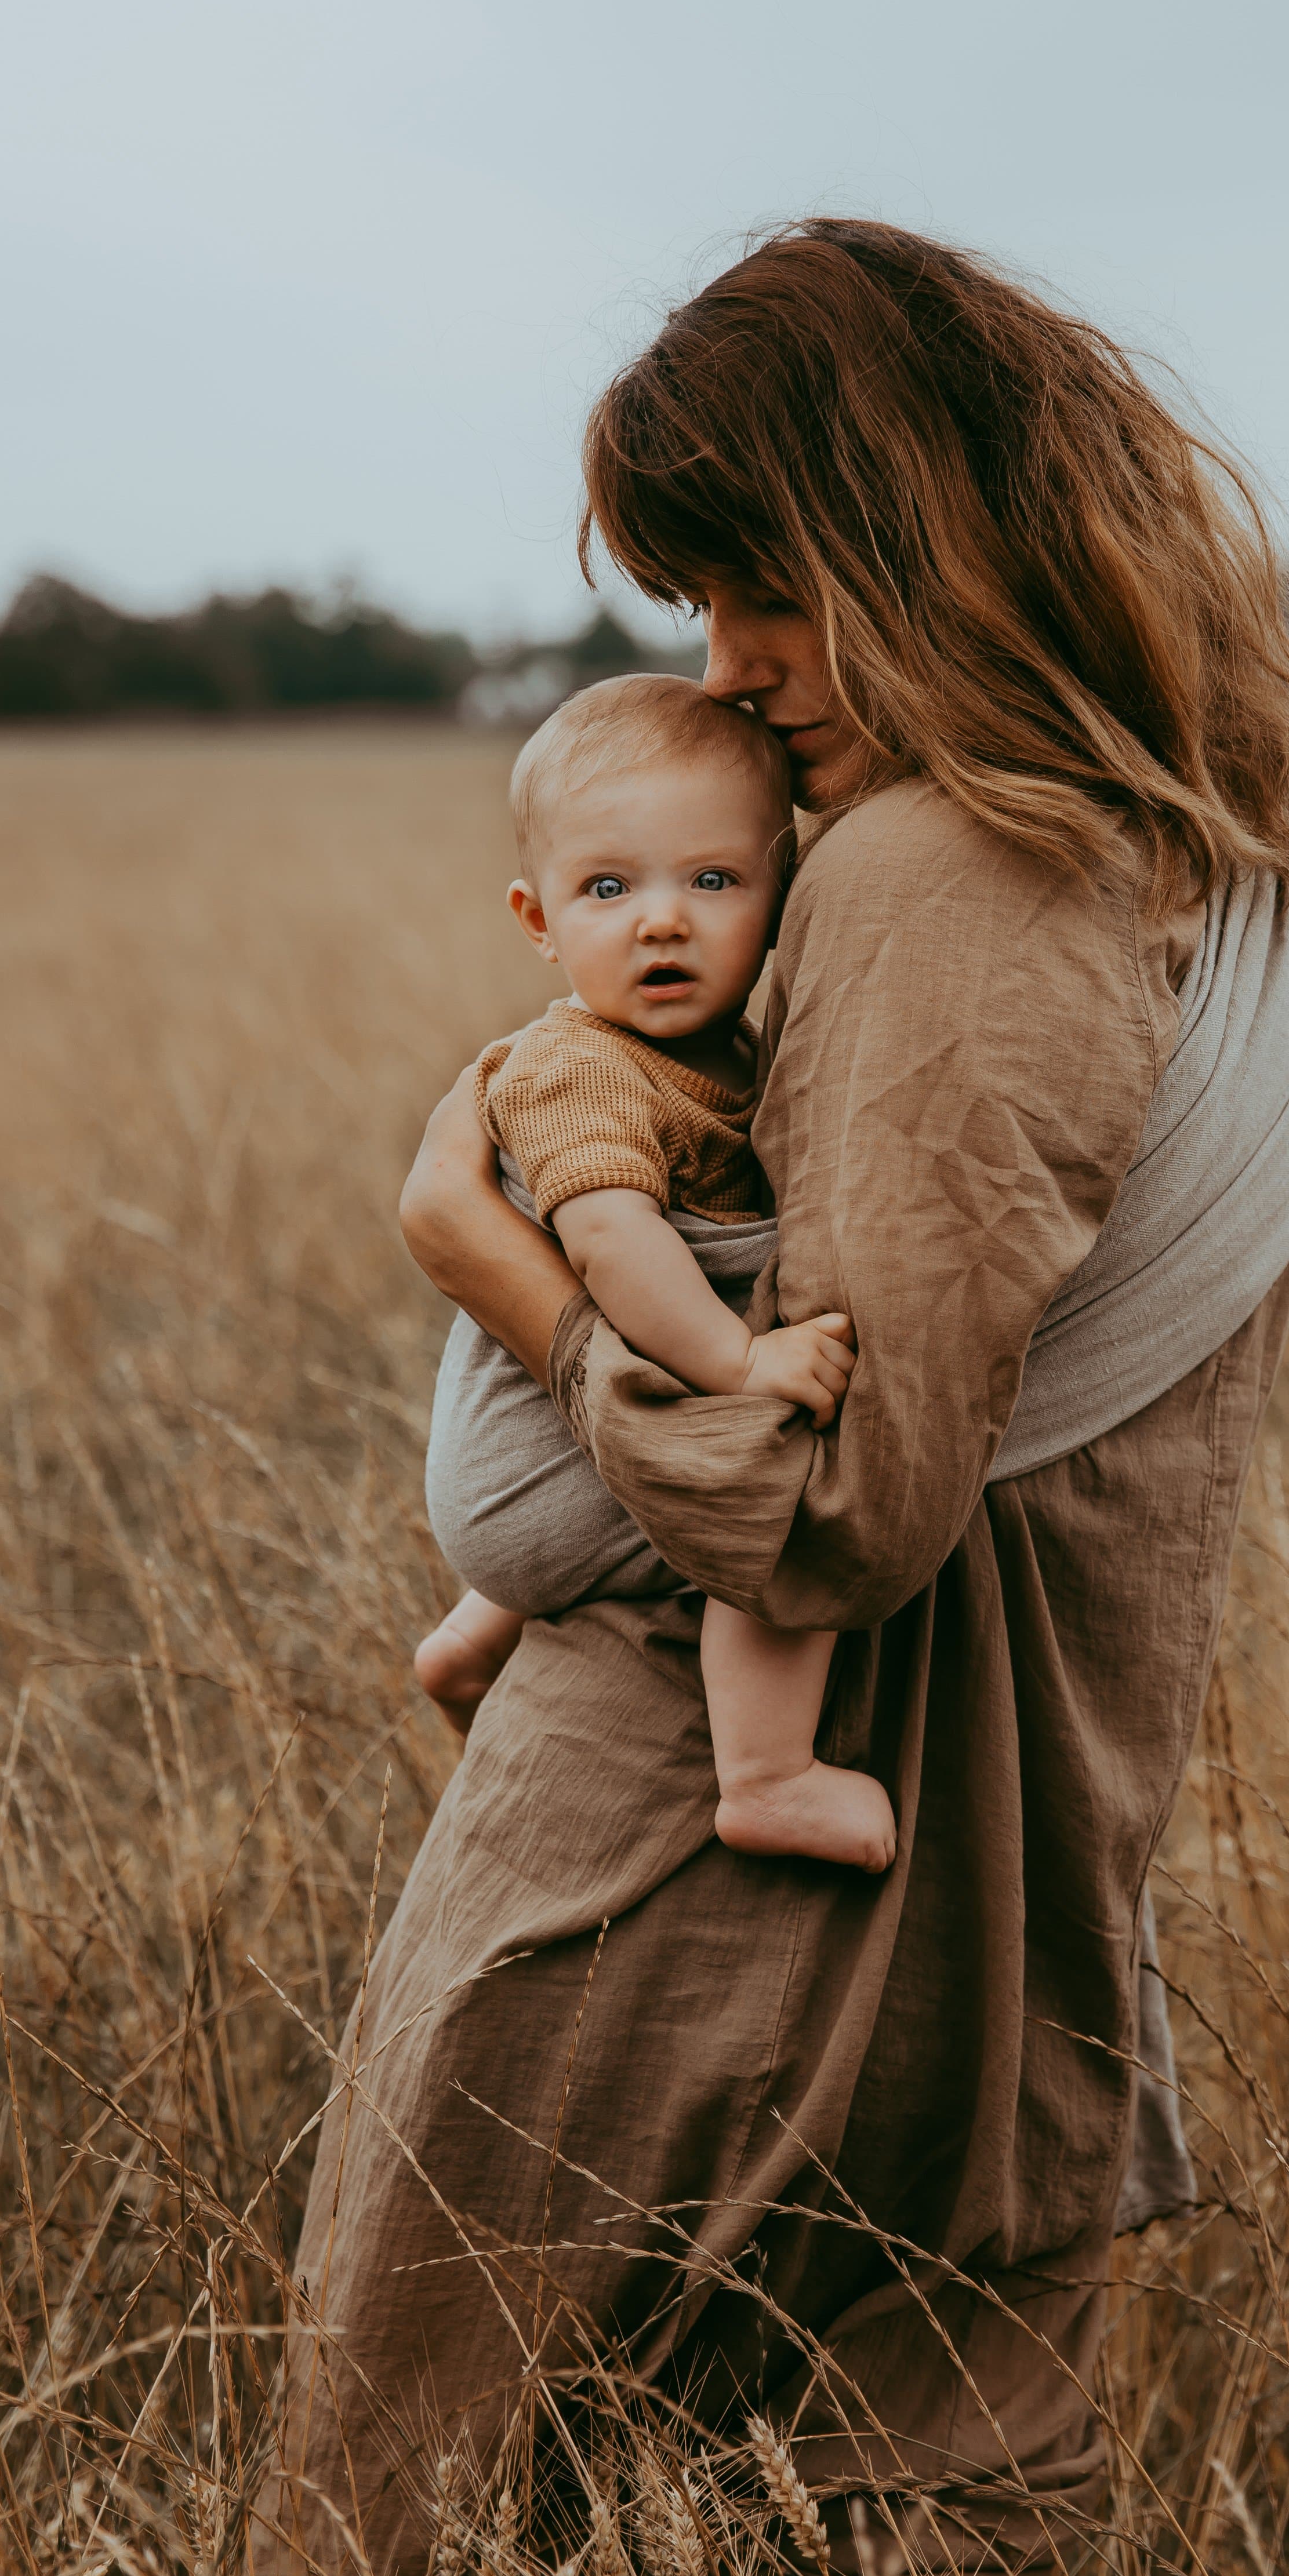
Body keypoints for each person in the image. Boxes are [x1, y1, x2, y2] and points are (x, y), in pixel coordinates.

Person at [243, 218, 1289, 2576]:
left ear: (926, 533)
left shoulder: (958, 879)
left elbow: (831, 1501)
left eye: (764, 580)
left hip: (705, 1907)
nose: (725, 657)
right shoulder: (1181, 851)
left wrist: (492, 1269)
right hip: (993, 1879)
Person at [411, 668, 894, 1872]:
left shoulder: (725, 1055)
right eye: (609, 888)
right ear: (539, 919)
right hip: (525, 1472)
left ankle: (474, 1638)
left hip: (535, 1462)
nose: (661, 920)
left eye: (712, 881)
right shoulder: (580, 1068)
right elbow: (614, 1245)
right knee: (780, 1502)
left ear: (778, 899)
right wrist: (745, 1360)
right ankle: (768, 1774)